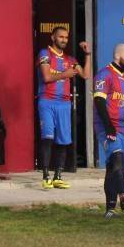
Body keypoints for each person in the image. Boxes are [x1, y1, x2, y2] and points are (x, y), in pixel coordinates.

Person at [36, 26, 90, 189]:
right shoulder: (45, 54)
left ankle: (58, 176)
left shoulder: (70, 59)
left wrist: (87, 55)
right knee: (47, 138)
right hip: (47, 101)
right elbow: (46, 77)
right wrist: (65, 75)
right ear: (53, 37)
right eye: (61, 37)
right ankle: (46, 176)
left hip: (64, 104)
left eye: (66, 37)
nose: (64, 40)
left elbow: (85, 75)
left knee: (63, 140)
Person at [93, 44, 124, 218]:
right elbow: (99, 101)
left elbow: (123, 101)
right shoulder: (105, 74)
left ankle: (110, 210)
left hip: (122, 128)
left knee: (112, 167)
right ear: (118, 55)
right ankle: (123, 194)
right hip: (106, 127)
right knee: (118, 159)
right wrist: (108, 126)